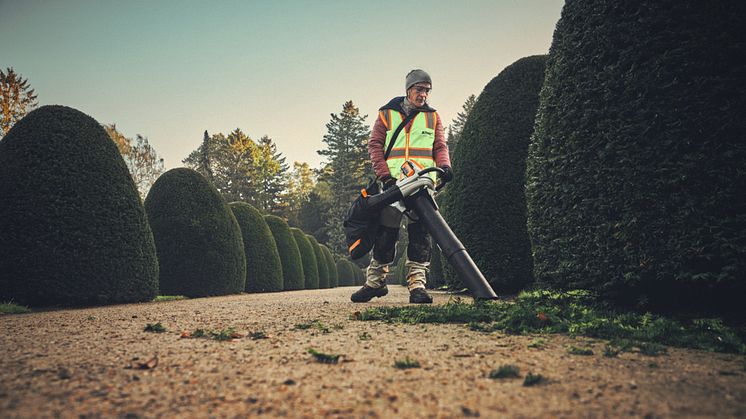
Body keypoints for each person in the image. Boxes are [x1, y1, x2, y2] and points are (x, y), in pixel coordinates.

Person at [351, 69, 453, 304]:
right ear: (408, 90)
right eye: (419, 89)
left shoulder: (433, 117)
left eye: (427, 90)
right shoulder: (386, 114)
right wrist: (385, 176)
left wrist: (445, 166)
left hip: (422, 183)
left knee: (421, 234)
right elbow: (375, 145)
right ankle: (375, 282)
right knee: (386, 232)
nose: (423, 95)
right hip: (394, 184)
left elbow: (440, 146)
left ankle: (417, 285)